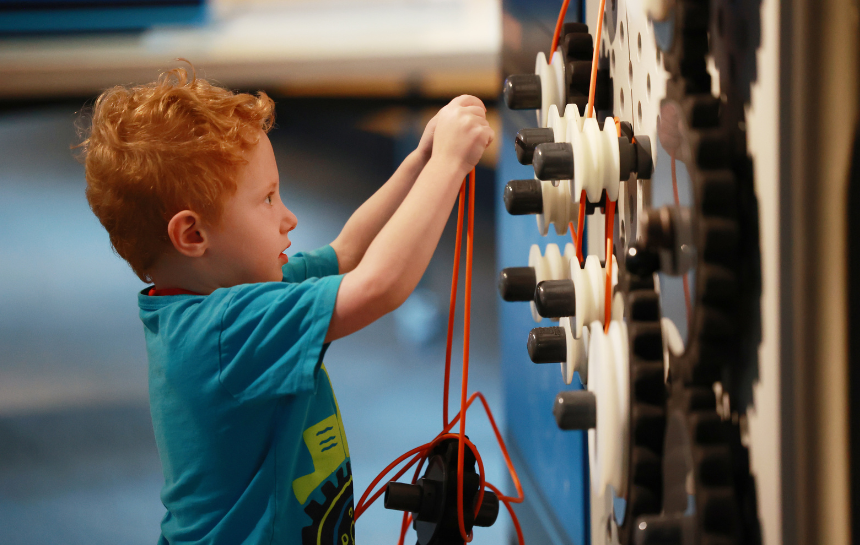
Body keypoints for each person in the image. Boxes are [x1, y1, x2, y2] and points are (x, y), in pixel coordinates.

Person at [77, 64, 493, 545]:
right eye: (268, 199)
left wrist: (421, 160)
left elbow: (351, 250)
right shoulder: (225, 331)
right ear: (193, 235)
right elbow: (379, 285)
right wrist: (449, 167)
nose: (289, 218)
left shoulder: (231, 291)